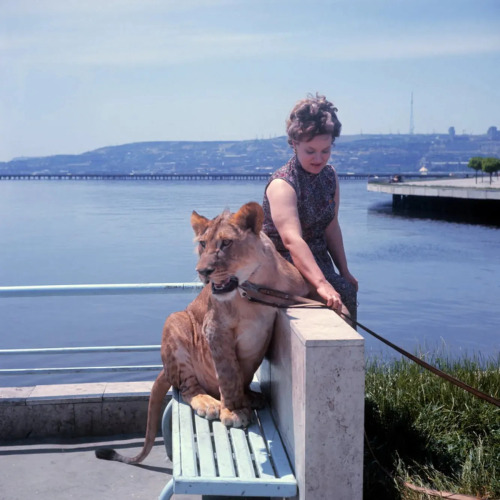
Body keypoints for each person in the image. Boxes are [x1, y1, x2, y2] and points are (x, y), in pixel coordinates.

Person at [262, 93, 358, 321]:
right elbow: (291, 240)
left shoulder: (330, 176)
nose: (319, 159)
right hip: (285, 267)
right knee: (337, 309)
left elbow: (331, 226)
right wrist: (322, 284)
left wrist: (344, 272)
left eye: (325, 151)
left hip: (319, 262)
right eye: (310, 151)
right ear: (295, 144)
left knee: (347, 291)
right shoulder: (282, 184)